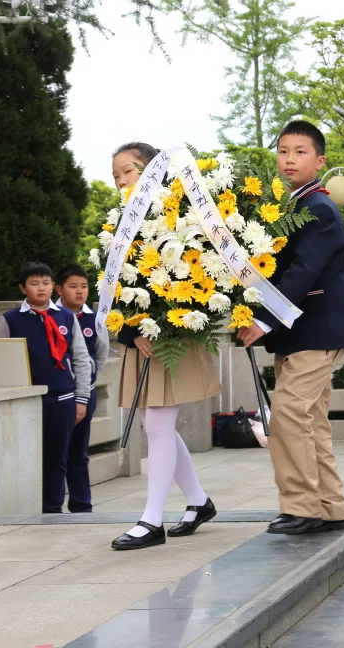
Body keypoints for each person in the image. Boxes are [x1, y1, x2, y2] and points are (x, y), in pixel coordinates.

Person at [237, 121, 344, 535]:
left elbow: (301, 274)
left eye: (300, 151)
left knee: (288, 417)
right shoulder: (293, 206)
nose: (289, 159)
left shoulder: (318, 208)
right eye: (283, 151)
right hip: (302, 333)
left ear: (320, 161)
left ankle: (303, 507)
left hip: (318, 331)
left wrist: (261, 319)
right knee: (310, 421)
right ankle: (331, 508)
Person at [109, 141, 219, 550]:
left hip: (175, 336)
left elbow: (205, 279)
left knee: (156, 423)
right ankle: (198, 501)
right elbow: (114, 291)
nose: (121, 180)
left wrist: (163, 323)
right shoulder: (119, 225)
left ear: (153, 170)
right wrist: (132, 331)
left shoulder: (184, 215)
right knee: (155, 424)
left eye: (128, 171)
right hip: (142, 338)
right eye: (116, 174)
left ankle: (151, 520)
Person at [0, 262, 93, 513]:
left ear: (53, 286)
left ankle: (52, 509)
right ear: (23, 288)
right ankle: (26, 507)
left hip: (63, 397)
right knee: (27, 456)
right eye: (34, 283)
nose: (41, 288)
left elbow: (82, 360)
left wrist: (81, 399)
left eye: (46, 283)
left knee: (58, 457)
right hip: (28, 399)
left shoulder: (66, 317)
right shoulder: (10, 320)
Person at [55, 264, 110, 513]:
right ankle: (50, 505)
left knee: (79, 451)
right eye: (73, 286)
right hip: (55, 394)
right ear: (59, 289)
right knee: (55, 453)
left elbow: (100, 356)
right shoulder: (52, 315)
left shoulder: (94, 319)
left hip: (83, 394)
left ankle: (81, 505)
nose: (79, 292)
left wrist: (85, 381)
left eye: (84, 287)